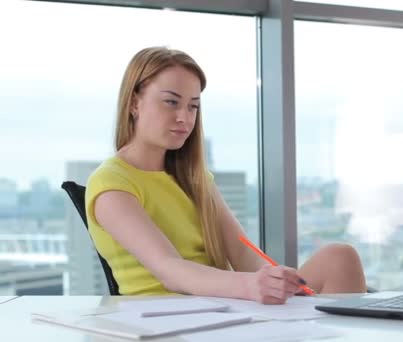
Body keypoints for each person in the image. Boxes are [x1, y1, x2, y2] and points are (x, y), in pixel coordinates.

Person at [85, 46, 367, 303]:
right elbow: (170, 270)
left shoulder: (196, 179)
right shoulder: (111, 184)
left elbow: (243, 252)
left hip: (225, 307)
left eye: (193, 106)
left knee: (340, 258)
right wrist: (250, 287)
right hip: (169, 318)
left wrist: (275, 281)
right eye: (171, 102)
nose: (184, 118)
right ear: (135, 103)